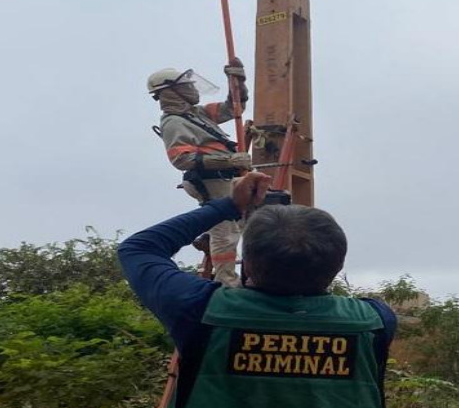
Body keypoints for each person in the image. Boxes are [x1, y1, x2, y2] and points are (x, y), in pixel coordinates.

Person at [118, 172, 397, 408]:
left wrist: (227, 206)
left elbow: (139, 248)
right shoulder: (375, 321)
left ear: (247, 265)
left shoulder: (199, 309)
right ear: (338, 267)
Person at [146, 60, 250, 287]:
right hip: (210, 181)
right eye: (187, 86)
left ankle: (210, 236)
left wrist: (237, 81)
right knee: (226, 230)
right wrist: (229, 159)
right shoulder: (173, 122)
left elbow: (234, 108)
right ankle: (227, 285)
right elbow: (182, 159)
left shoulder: (196, 114)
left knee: (247, 215)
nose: (192, 89)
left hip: (224, 177)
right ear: (171, 92)